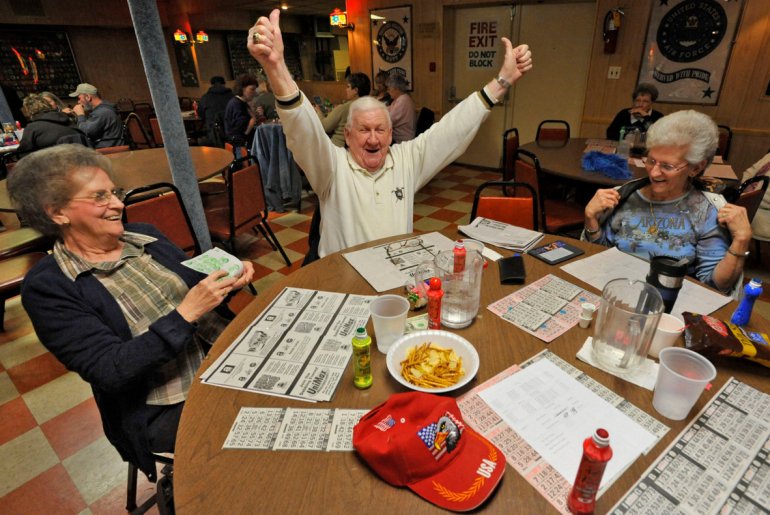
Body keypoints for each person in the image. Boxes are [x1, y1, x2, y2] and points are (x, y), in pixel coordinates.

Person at [7, 144, 254, 481]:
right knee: (260, 436)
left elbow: (196, 288)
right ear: (58, 213)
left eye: (115, 192)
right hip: (165, 403)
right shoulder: (49, 287)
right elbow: (110, 369)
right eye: (99, 197)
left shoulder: (145, 236)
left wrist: (228, 281)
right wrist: (185, 314)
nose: (118, 203)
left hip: (226, 357)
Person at [247, 10, 532, 258]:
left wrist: (501, 83)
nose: (373, 139)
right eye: (364, 130)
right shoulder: (331, 167)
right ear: (347, 135)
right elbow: (304, 130)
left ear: (390, 133)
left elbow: (451, 130)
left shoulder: (406, 160)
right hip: (344, 283)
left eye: (380, 130)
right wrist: (276, 67)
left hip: (395, 283)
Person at [584, 110, 752, 294]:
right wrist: (591, 219)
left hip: (671, 303)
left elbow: (714, 286)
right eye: (651, 161)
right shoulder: (623, 196)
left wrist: (741, 240)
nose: (654, 173)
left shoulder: (706, 211)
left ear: (696, 167)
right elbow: (601, 257)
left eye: (667, 166)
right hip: (615, 290)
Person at [17, 93, 90, 155]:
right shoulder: (68, 119)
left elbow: (23, 153)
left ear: (28, 111)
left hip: (54, 166)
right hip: (82, 160)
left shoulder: (32, 128)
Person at [315, 72, 371, 147]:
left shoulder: (344, 108)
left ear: (355, 90)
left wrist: (319, 111)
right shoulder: (371, 106)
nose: (346, 90)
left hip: (338, 148)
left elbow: (325, 127)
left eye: (348, 87)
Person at [68, 83, 124, 148]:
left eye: (79, 98)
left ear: (88, 97)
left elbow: (85, 132)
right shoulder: (103, 109)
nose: (78, 102)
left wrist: (80, 115)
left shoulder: (102, 112)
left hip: (107, 151)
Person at [739, 150, 770, 243]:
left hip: (763, 214)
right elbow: (749, 172)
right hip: (749, 200)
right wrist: (744, 189)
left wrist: (747, 195)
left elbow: (767, 197)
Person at [224, 74, 259, 155]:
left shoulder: (240, 102)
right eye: (252, 89)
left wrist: (254, 114)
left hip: (241, 142)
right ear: (242, 88)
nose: (255, 93)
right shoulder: (236, 104)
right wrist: (253, 120)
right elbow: (243, 132)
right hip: (239, 147)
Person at [197, 76, 234, 147]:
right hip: (231, 132)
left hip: (213, 134)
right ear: (224, 84)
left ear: (211, 85)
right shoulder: (232, 96)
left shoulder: (205, 98)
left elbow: (201, 115)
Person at [386, 74, 416, 144]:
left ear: (396, 88)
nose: (388, 91)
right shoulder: (400, 99)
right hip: (400, 138)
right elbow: (388, 109)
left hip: (402, 141)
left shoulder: (403, 100)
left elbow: (389, 119)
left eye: (389, 89)